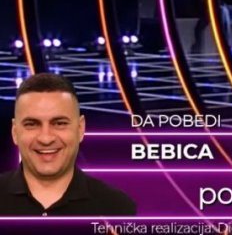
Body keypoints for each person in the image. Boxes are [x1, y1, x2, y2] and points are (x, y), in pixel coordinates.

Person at [0, 73, 136, 215]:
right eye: (32, 124)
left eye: (60, 123)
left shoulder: (117, 208)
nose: (46, 139)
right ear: (15, 132)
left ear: (80, 129)